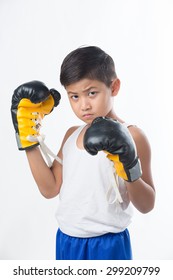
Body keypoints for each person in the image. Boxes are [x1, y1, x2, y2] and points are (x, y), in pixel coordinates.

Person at [11, 46, 155, 260]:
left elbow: (147, 204)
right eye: (74, 96)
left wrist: (128, 165)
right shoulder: (71, 135)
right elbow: (50, 189)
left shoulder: (132, 136)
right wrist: (27, 137)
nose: (84, 105)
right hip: (67, 240)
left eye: (92, 93)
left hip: (108, 244)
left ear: (114, 87)